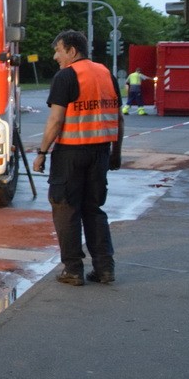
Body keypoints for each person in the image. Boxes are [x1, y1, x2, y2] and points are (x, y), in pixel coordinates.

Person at [33, 30, 124, 286]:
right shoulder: (106, 74)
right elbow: (119, 118)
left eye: (59, 50)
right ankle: (105, 269)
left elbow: (56, 120)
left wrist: (41, 153)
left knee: (66, 210)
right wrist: (116, 153)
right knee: (94, 210)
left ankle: (73, 269)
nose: (55, 56)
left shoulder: (66, 76)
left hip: (70, 154)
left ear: (72, 51)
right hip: (100, 153)